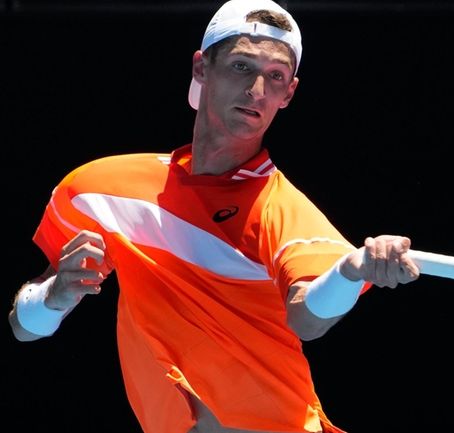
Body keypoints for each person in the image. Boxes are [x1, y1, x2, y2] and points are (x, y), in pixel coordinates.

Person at [8, 1, 421, 432]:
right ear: (202, 67)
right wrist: (54, 295)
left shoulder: (281, 210)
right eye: (242, 66)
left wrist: (351, 273)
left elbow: (307, 319)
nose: (257, 90)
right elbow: (23, 327)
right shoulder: (99, 190)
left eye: (276, 76)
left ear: (289, 94)